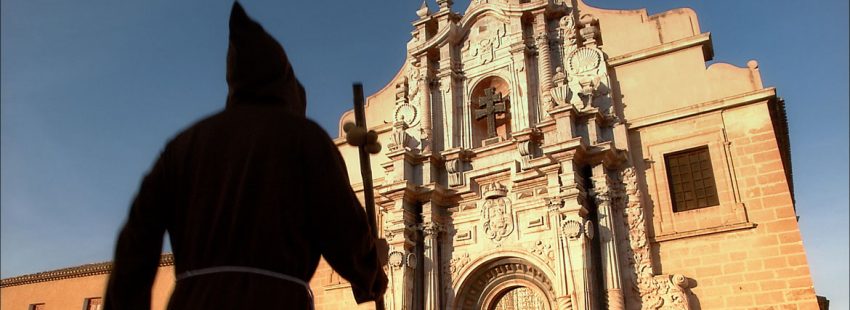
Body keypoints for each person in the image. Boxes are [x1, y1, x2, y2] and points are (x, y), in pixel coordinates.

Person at [104, 2, 388, 309]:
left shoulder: (182, 146)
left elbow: (135, 245)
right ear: (285, 82)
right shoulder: (306, 139)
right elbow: (341, 224)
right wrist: (371, 273)